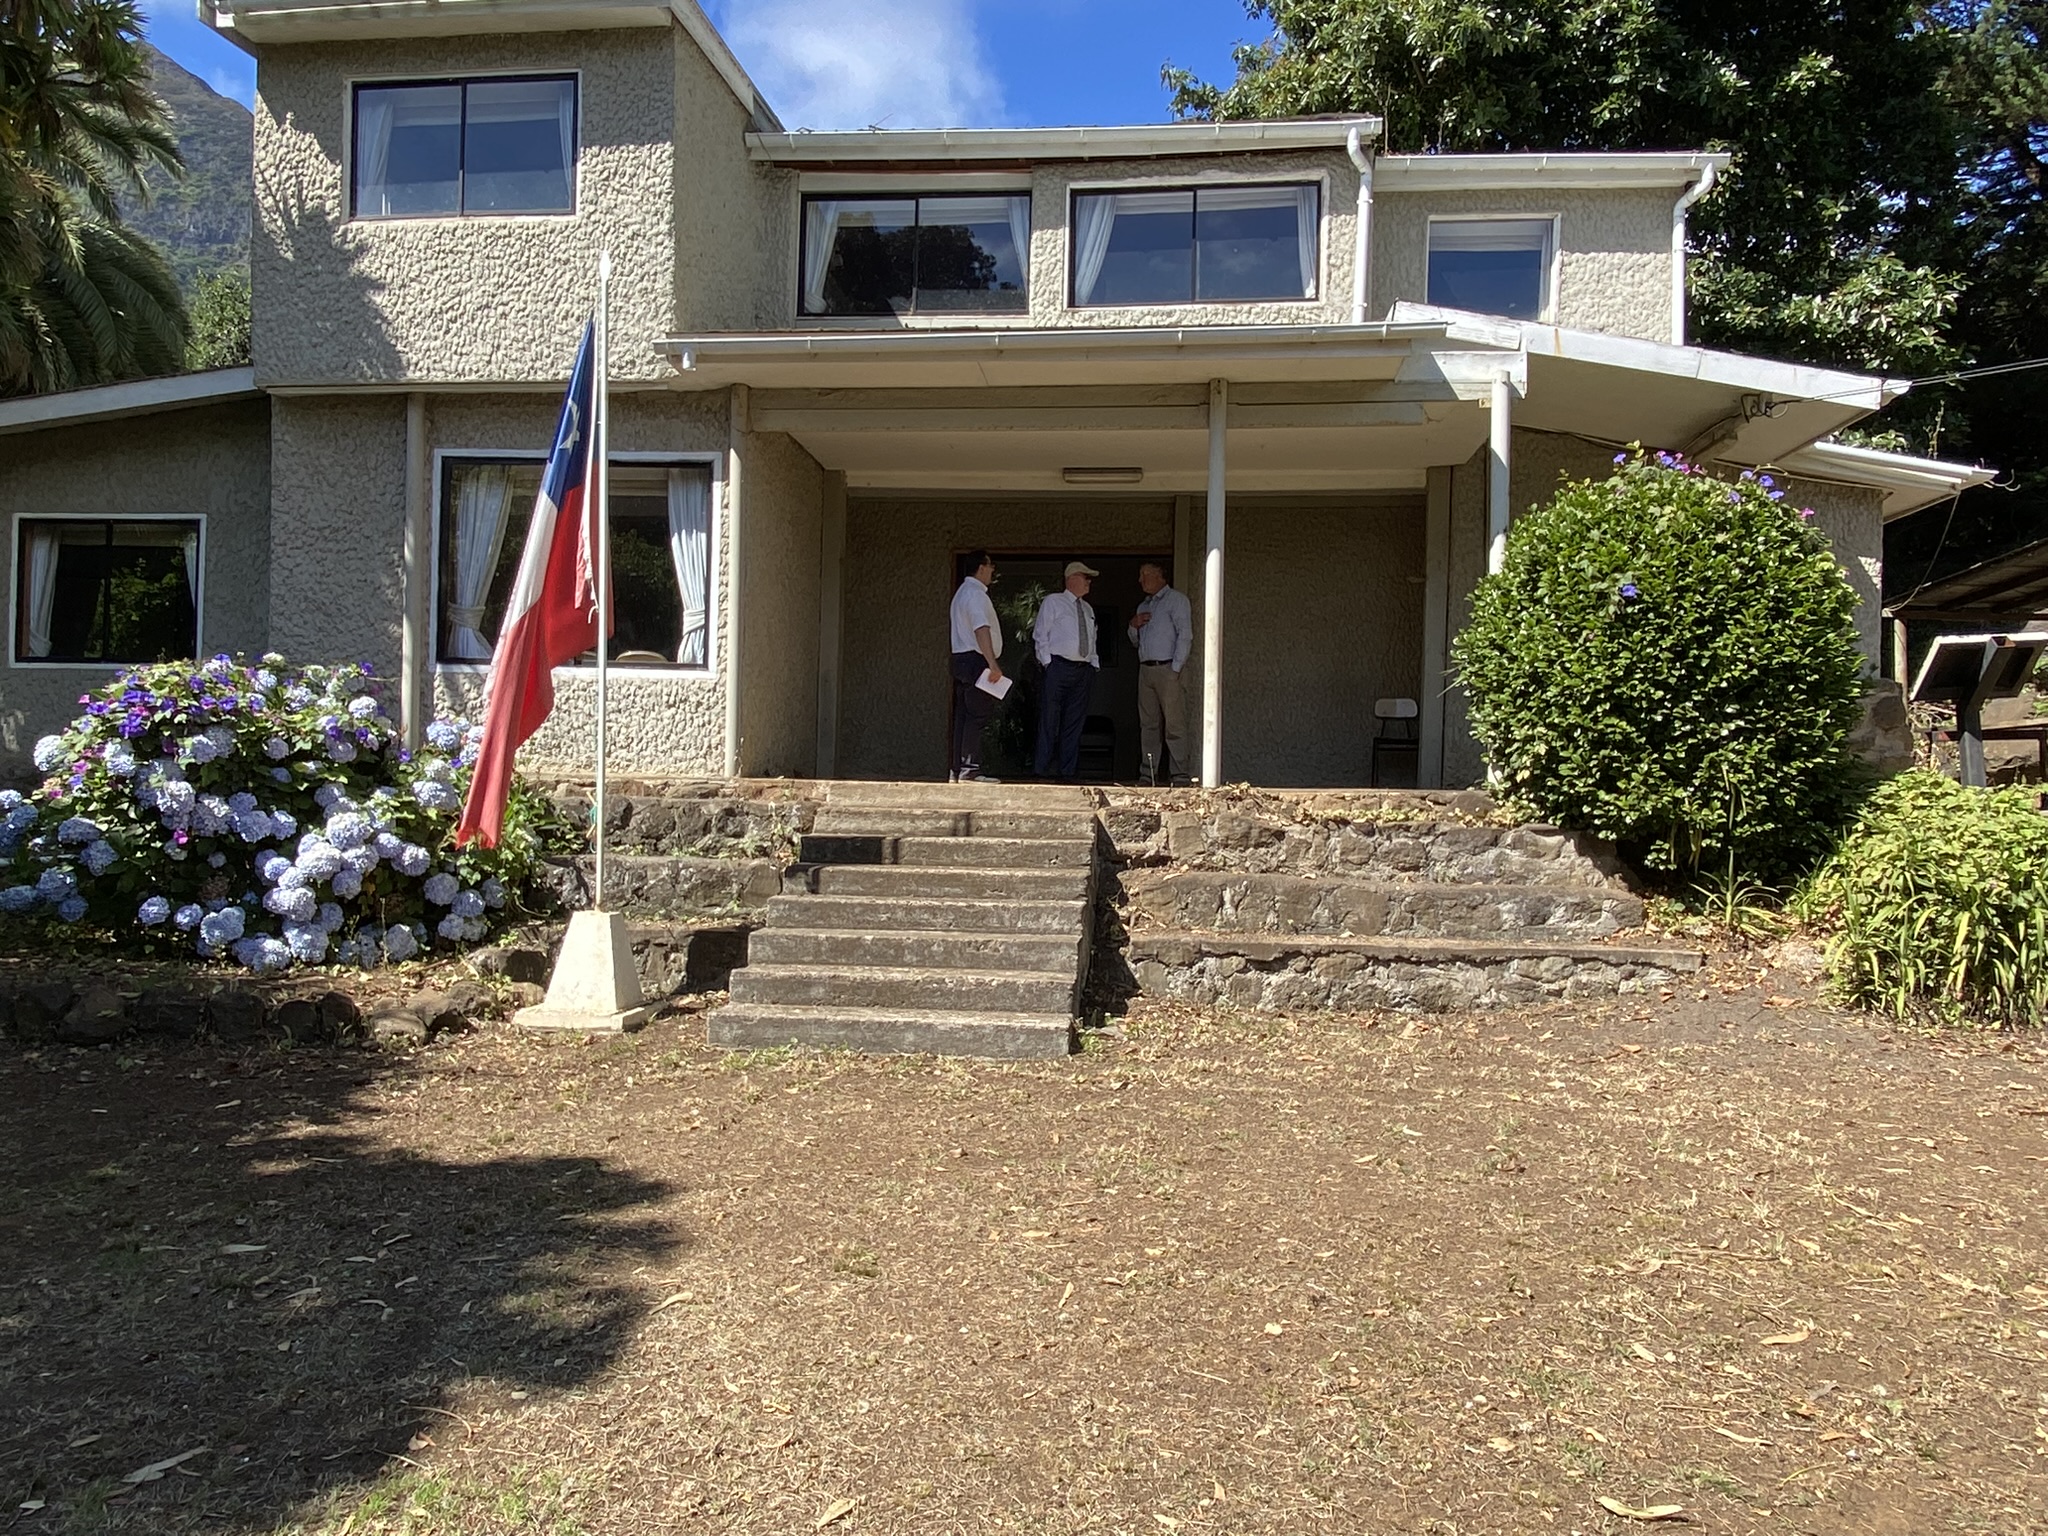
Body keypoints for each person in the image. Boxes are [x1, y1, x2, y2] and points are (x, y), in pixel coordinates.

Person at [1032, 560, 1099, 780]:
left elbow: (1092, 638)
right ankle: (1042, 770)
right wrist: (1047, 663)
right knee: (1049, 719)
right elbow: (1041, 633)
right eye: (1085, 577)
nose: (1089, 582)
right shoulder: (1054, 601)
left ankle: (1067, 772)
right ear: (1072, 579)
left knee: (1074, 722)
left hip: (1082, 670)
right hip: (1058, 667)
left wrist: (1093, 664)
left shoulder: (1087, 608)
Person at [1128, 560, 1193, 785]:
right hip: (1146, 669)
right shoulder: (1143, 606)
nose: (1140, 580)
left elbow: (1185, 635)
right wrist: (1133, 626)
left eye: (1145, 574)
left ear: (1160, 576)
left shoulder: (1176, 600)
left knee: (1174, 724)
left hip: (1167, 669)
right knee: (1149, 725)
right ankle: (1149, 774)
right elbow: (1136, 642)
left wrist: (1176, 668)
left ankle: (1180, 775)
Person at [947, 550, 1003, 782]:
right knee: (977, 715)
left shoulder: (961, 593)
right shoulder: (976, 595)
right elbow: (981, 629)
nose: (992, 571)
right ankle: (970, 769)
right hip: (976, 659)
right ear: (981, 567)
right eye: (990, 566)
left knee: (963, 714)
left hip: (961, 659)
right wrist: (992, 663)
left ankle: (957, 769)